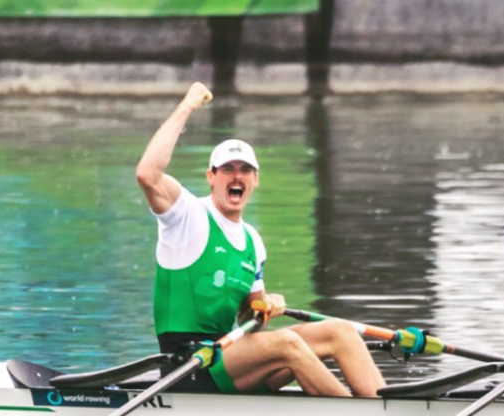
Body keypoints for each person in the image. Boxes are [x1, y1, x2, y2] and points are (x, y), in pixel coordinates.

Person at [135, 82, 386, 397]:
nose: (236, 176)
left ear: (255, 179)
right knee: (288, 343)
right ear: (211, 176)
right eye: (227, 169)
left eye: (245, 170)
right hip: (187, 365)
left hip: (226, 357)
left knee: (341, 331)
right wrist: (187, 106)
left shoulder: (253, 241)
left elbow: (251, 322)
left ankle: (384, 407)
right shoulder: (187, 215)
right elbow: (147, 174)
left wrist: (265, 309)